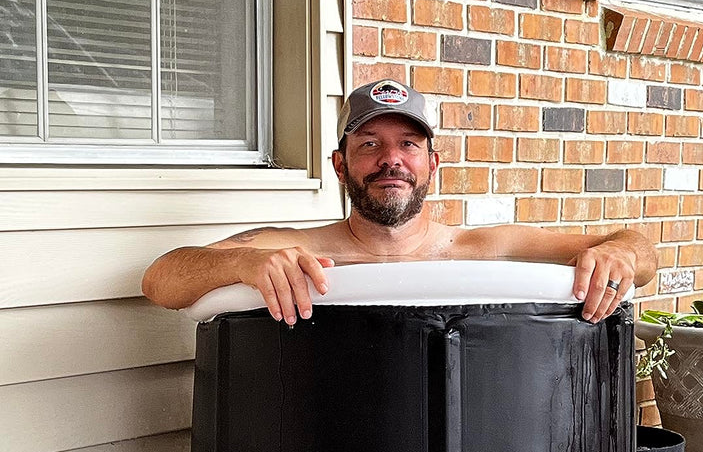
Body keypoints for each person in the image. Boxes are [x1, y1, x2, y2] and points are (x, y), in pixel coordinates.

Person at [142, 78, 657, 322]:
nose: (391, 160)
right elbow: (161, 278)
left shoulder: (484, 247)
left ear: (433, 165)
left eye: (408, 145)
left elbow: (639, 248)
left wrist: (621, 254)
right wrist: (245, 264)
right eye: (369, 145)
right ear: (340, 165)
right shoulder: (297, 248)